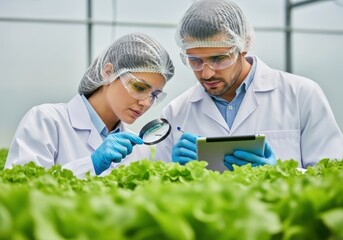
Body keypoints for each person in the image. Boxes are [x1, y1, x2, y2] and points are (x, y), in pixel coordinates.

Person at [155, 0, 343, 170]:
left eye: (218, 59)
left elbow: (333, 175)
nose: (207, 73)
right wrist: (173, 169)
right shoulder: (175, 112)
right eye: (195, 61)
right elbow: (159, 191)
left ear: (243, 48)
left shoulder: (301, 94)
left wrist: (283, 173)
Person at [5, 32, 174, 178]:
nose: (146, 102)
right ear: (109, 72)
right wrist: (90, 165)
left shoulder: (138, 149)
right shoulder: (46, 121)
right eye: (139, 87)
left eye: (154, 95)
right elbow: (22, 191)